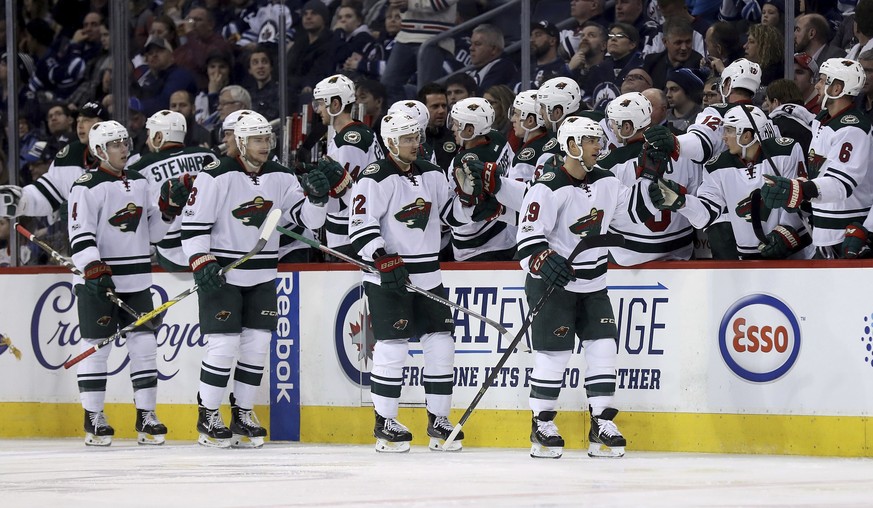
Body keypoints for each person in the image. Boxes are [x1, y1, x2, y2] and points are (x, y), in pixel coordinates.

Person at [181, 111, 331, 448]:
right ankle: (208, 413)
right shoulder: (216, 176)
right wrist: (202, 261)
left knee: (257, 346)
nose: (266, 145)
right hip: (223, 275)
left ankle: (243, 412)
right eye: (259, 139)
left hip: (263, 275)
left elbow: (305, 220)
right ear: (241, 142)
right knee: (222, 345)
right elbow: (192, 227)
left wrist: (318, 200)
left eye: (269, 139)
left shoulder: (281, 175)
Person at [347, 112, 479, 452]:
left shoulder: (433, 173)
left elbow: (451, 217)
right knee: (393, 345)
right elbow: (359, 225)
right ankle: (385, 421)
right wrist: (380, 257)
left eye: (416, 136)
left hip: (429, 274)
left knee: (441, 343)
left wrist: (467, 197)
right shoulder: (374, 177)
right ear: (390, 142)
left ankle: (438, 420)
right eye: (407, 138)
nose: (414, 143)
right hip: (388, 278)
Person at [516, 116, 636, 459]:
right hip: (554, 287)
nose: (599, 146)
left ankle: (601, 423)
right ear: (571, 146)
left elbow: (627, 221)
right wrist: (542, 261)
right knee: (553, 355)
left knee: (603, 349)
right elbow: (527, 242)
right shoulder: (547, 187)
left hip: (595, 284)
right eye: (591, 141)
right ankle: (542, 423)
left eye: (598, 140)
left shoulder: (608, 182)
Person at [68, 120, 173, 446]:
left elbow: (155, 233)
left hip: (138, 279)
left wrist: (170, 212)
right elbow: (79, 234)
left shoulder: (141, 182)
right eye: (115, 144)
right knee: (97, 347)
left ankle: (146, 415)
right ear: (100, 150)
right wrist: (93, 268)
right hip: (99, 281)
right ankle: (94, 416)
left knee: (144, 346)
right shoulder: (85, 186)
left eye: (125, 142)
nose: (123, 148)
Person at [650, 105, 814, 260]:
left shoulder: (786, 151)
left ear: (746, 135)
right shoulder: (717, 166)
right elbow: (706, 214)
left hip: (795, 253)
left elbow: (799, 198)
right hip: (749, 258)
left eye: (729, 130)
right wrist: (681, 202)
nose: (723, 137)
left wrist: (786, 233)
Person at [761, 58, 873, 258]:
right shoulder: (822, 121)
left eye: (822, 80)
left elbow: (840, 185)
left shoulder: (852, 129)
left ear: (837, 89)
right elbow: (819, 173)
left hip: (849, 233)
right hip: (823, 232)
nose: (817, 85)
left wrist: (799, 190)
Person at [598, 92, 699, 265]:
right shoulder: (682, 152)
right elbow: (697, 199)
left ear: (627, 127)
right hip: (680, 251)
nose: (612, 128)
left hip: (627, 257)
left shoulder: (609, 164)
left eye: (614, 123)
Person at [127, 110, 219, 271]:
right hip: (210, 244)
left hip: (170, 249)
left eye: (150, 135)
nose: (148, 141)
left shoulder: (139, 168)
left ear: (159, 137)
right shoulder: (208, 155)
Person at [312, 74, 384, 257]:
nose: (317, 109)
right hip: (352, 234)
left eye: (320, 103)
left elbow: (346, 196)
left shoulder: (349, 142)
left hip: (349, 237)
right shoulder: (355, 133)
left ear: (335, 104)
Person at [0, 101, 107, 220]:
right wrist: (20, 201)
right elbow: (48, 192)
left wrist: (84, 209)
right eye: (78, 121)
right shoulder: (71, 154)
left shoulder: (125, 154)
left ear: (104, 124)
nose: (80, 125)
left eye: (86, 120)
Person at [447, 97, 516, 261]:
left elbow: (461, 206)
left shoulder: (463, 162)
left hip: (476, 248)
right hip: (505, 235)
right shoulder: (497, 137)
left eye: (457, 124)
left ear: (470, 130)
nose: (452, 128)